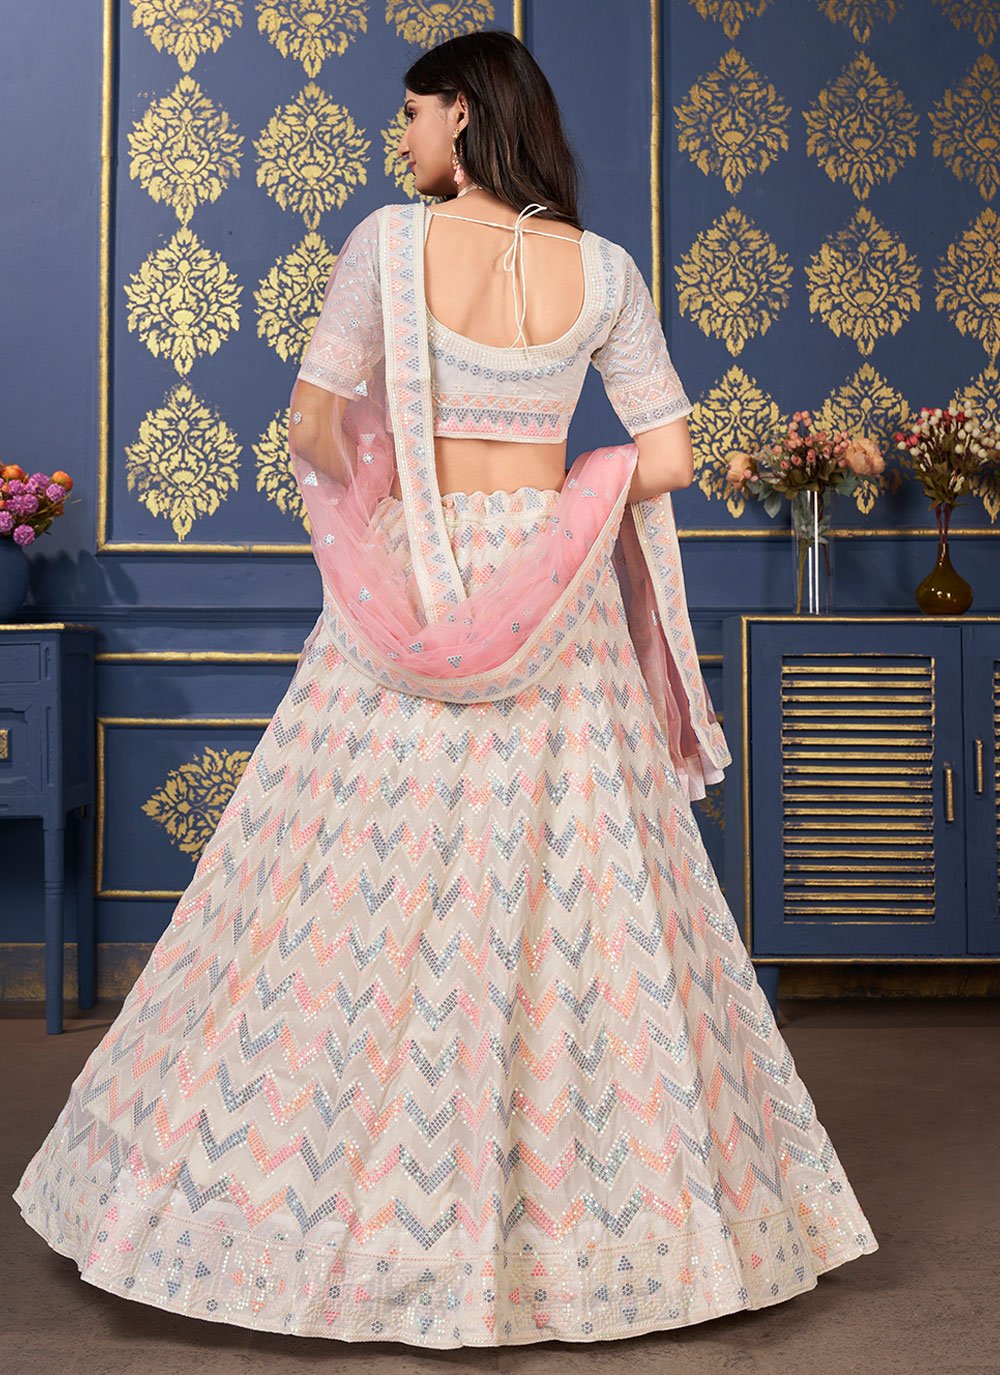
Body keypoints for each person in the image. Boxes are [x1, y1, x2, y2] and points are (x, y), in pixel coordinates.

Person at [12, 28, 877, 1350]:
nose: (404, 137)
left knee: (342, 890)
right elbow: (666, 459)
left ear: (463, 114)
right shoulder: (605, 269)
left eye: (414, 113)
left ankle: (321, 1218)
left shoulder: (387, 246)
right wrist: (565, 503)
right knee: (580, 891)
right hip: (559, 594)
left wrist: (382, 498)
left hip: (410, 586)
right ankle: (613, 1231)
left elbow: (311, 425)